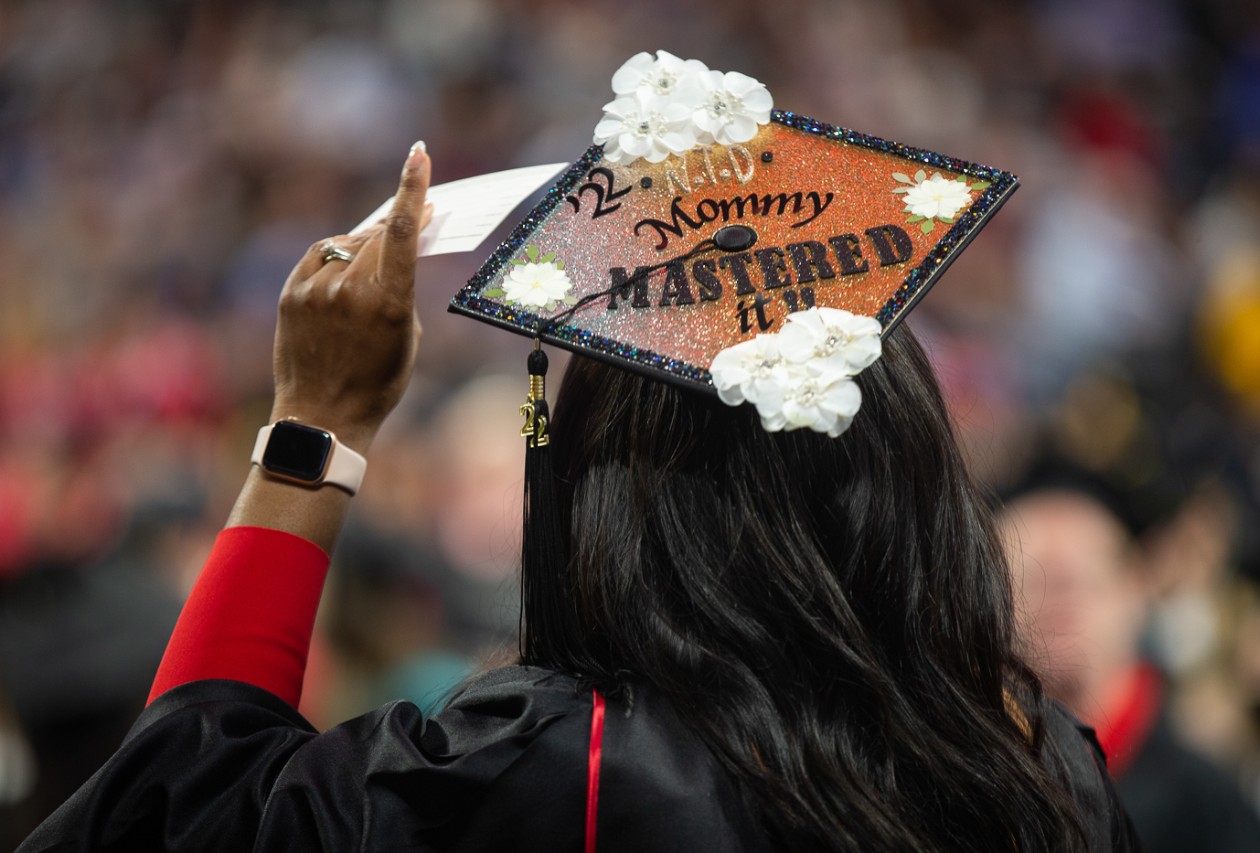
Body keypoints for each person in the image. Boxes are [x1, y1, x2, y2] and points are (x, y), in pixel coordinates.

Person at [18, 139, 1136, 852]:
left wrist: (316, 428)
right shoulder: (1049, 770)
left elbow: (170, 809)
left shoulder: (562, 776)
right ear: (910, 474)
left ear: (605, 493)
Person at [1001, 477, 1260, 852]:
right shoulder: (953, 787)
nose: (1056, 604)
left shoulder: (1210, 806)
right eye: (1029, 581)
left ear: (1134, 591)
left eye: (1079, 580)